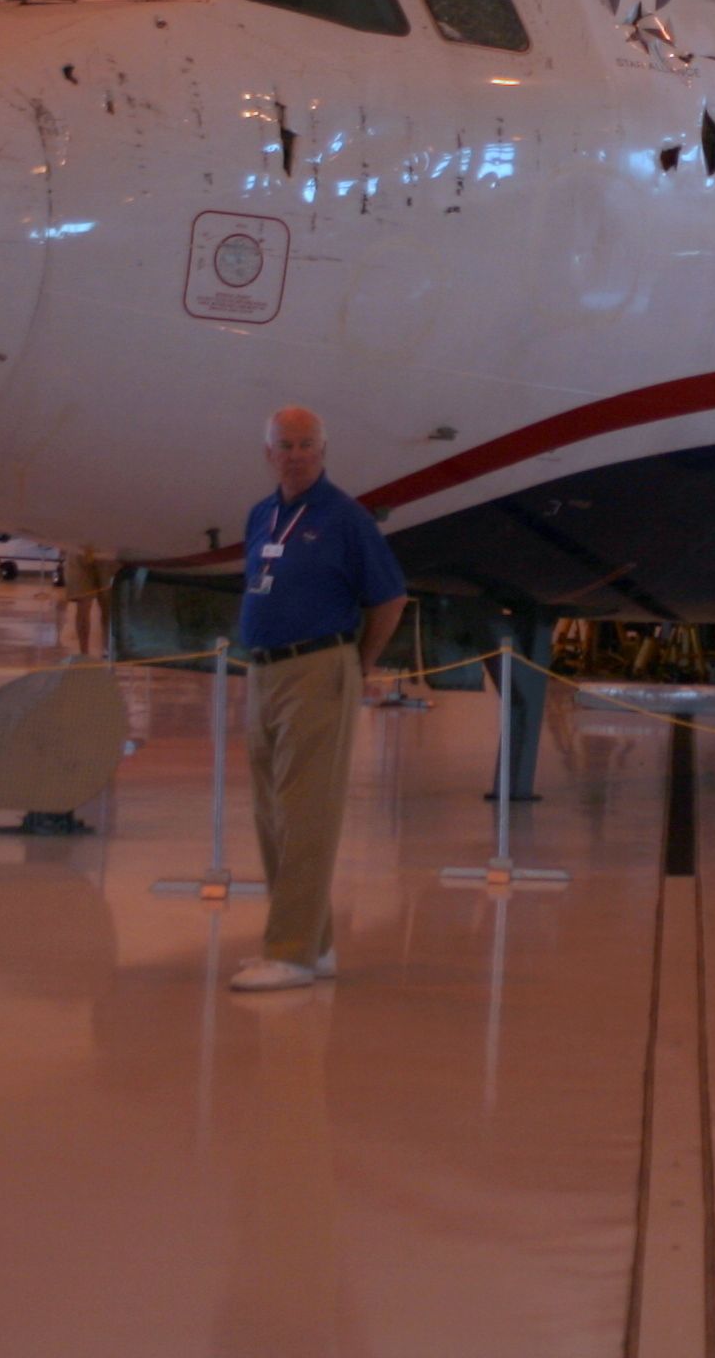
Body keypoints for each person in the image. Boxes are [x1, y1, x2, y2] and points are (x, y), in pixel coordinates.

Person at [229, 406, 407, 993]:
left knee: (306, 815)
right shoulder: (263, 515)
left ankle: (290, 953)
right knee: (272, 815)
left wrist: (356, 666)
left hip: (317, 669)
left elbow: (389, 598)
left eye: (307, 444)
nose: (297, 454)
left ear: (323, 451)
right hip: (264, 672)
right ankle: (316, 943)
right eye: (286, 444)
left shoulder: (345, 517)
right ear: (268, 453)